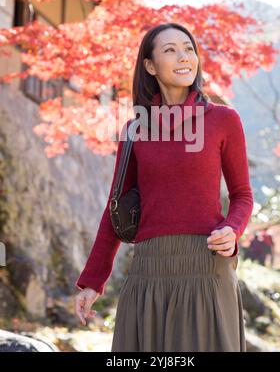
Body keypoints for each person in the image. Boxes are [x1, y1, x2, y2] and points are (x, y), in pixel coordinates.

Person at [74, 22, 254, 352]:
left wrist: (232, 228)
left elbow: (242, 194)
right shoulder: (135, 129)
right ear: (150, 65)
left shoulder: (223, 119)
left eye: (188, 49)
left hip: (206, 268)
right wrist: (92, 281)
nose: (184, 57)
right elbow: (115, 206)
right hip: (147, 272)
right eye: (170, 50)